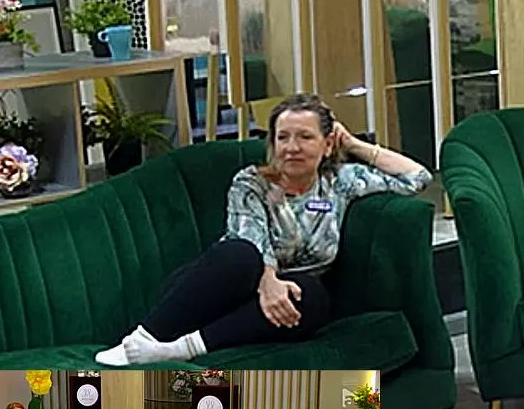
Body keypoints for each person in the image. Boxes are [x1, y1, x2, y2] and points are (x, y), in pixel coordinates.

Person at [95, 94, 432, 366]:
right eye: (283, 137)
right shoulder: (252, 182)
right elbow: (251, 236)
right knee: (239, 255)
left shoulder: (340, 182)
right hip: (219, 290)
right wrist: (268, 282)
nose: (292, 147)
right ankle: (142, 340)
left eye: (305, 137)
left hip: (279, 304)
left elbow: (418, 177)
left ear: (327, 144)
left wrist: (354, 144)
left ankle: (179, 350)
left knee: (313, 296)